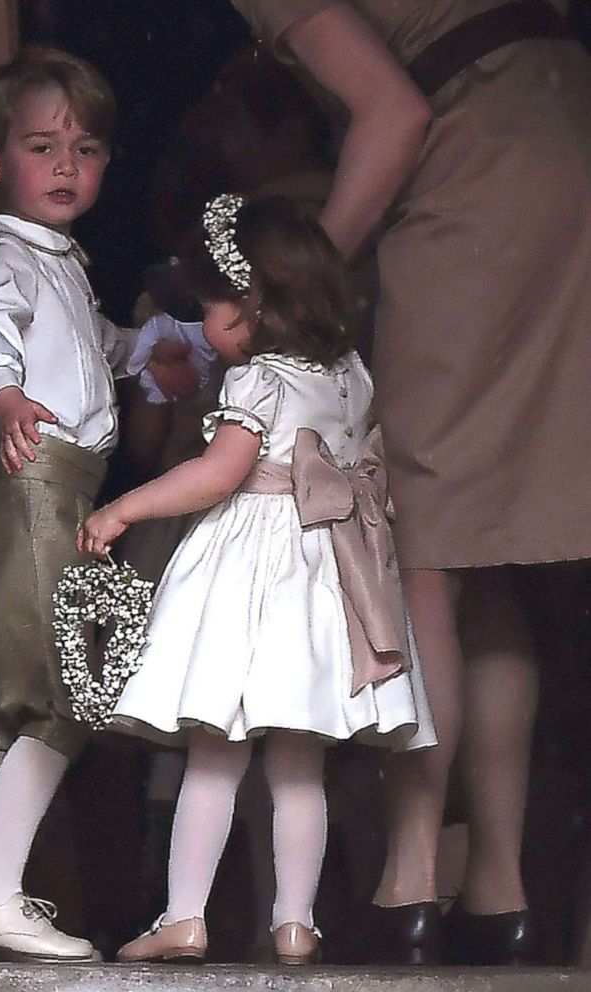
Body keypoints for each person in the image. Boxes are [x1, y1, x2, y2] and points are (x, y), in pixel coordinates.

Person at [228, 0, 591, 966]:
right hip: (563, 132)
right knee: (493, 548)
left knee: (423, 545)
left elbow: (392, 115)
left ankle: (410, 877)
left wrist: (291, 290)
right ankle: (499, 889)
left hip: (476, 175)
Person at [80, 193, 436, 965]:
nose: (206, 327)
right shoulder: (349, 374)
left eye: (210, 308)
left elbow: (218, 475)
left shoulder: (261, 383)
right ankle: (295, 922)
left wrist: (125, 509)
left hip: (257, 574)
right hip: (326, 580)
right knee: (298, 765)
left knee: (213, 750)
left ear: (251, 309)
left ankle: (183, 915)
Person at [0, 47, 195, 962]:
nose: (63, 166)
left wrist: (144, 352)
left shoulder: (57, 257)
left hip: (37, 484)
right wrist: (5, 395)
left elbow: (88, 345)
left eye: (84, 149)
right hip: (37, 480)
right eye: (40, 145)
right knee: (66, 694)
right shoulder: (6, 251)